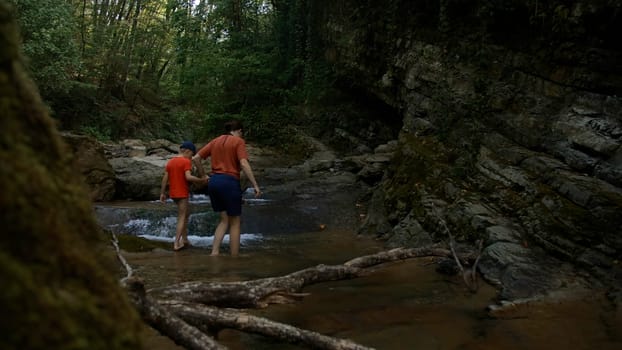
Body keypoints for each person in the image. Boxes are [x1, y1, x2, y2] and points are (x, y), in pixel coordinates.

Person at [193, 120, 261, 256]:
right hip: (229, 182)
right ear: (239, 131)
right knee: (235, 222)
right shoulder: (238, 142)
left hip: (214, 182)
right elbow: (243, 163)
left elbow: (195, 158)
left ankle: (214, 252)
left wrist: (203, 175)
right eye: (242, 133)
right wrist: (255, 184)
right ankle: (234, 257)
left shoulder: (215, 141)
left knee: (224, 220)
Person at [160, 141, 208, 251]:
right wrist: (201, 180)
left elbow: (165, 179)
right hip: (182, 193)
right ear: (187, 151)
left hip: (173, 193)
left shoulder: (171, 162)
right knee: (182, 217)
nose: (191, 158)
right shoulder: (185, 161)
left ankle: (185, 239)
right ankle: (176, 243)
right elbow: (188, 177)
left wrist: (162, 193)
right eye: (192, 155)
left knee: (186, 213)